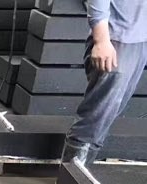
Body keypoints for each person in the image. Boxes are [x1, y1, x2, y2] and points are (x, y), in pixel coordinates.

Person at [62, 0, 147, 165]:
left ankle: (77, 173)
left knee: (105, 118)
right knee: (96, 118)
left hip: (139, 38)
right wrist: (101, 41)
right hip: (117, 39)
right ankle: (72, 174)